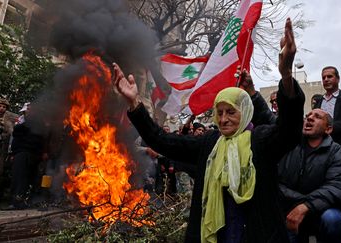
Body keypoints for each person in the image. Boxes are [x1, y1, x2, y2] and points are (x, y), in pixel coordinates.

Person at [114, 18, 305, 243]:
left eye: (230, 112)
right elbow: (162, 140)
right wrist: (134, 104)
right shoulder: (209, 143)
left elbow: (290, 128)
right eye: (219, 112)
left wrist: (286, 75)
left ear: (244, 112)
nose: (223, 119)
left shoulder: (261, 140)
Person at [278, 109, 341, 243]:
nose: (310, 118)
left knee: (332, 219)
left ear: (328, 129)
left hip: (321, 210)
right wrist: (300, 203)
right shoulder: (288, 147)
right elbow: (276, 182)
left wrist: (306, 206)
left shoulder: (337, 153)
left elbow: (339, 188)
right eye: (307, 116)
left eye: (317, 116)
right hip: (291, 210)